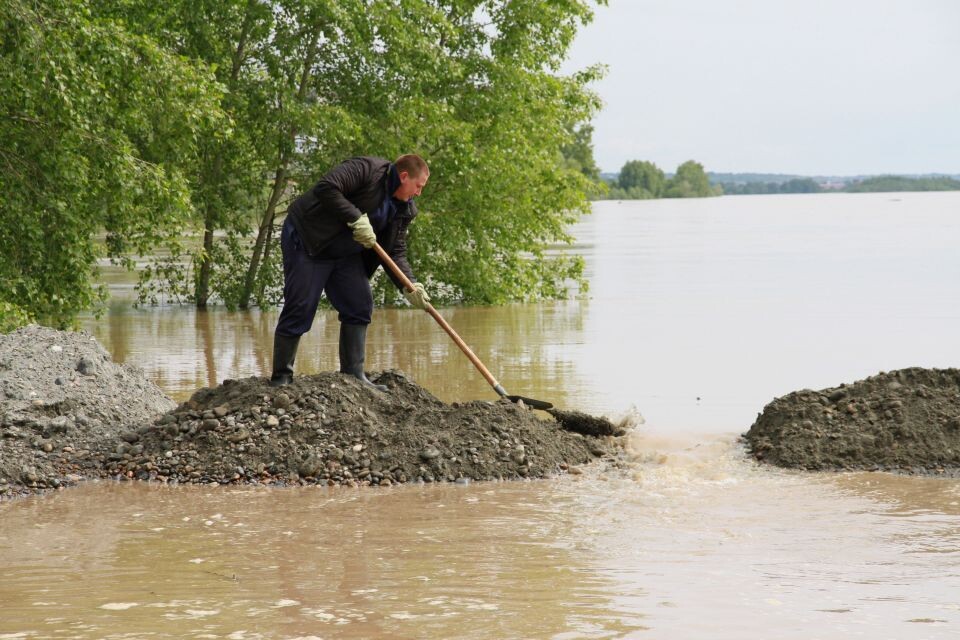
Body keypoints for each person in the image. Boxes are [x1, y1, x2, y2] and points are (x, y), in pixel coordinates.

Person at [269, 154, 431, 389]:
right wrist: (355, 218)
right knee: (301, 306)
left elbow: (395, 250)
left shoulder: (405, 210)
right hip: (309, 240)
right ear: (404, 176)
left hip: (344, 253)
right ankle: (281, 377)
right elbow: (327, 188)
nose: (419, 193)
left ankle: (354, 376)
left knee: (359, 304)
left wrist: (409, 285)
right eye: (418, 186)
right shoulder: (367, 169)